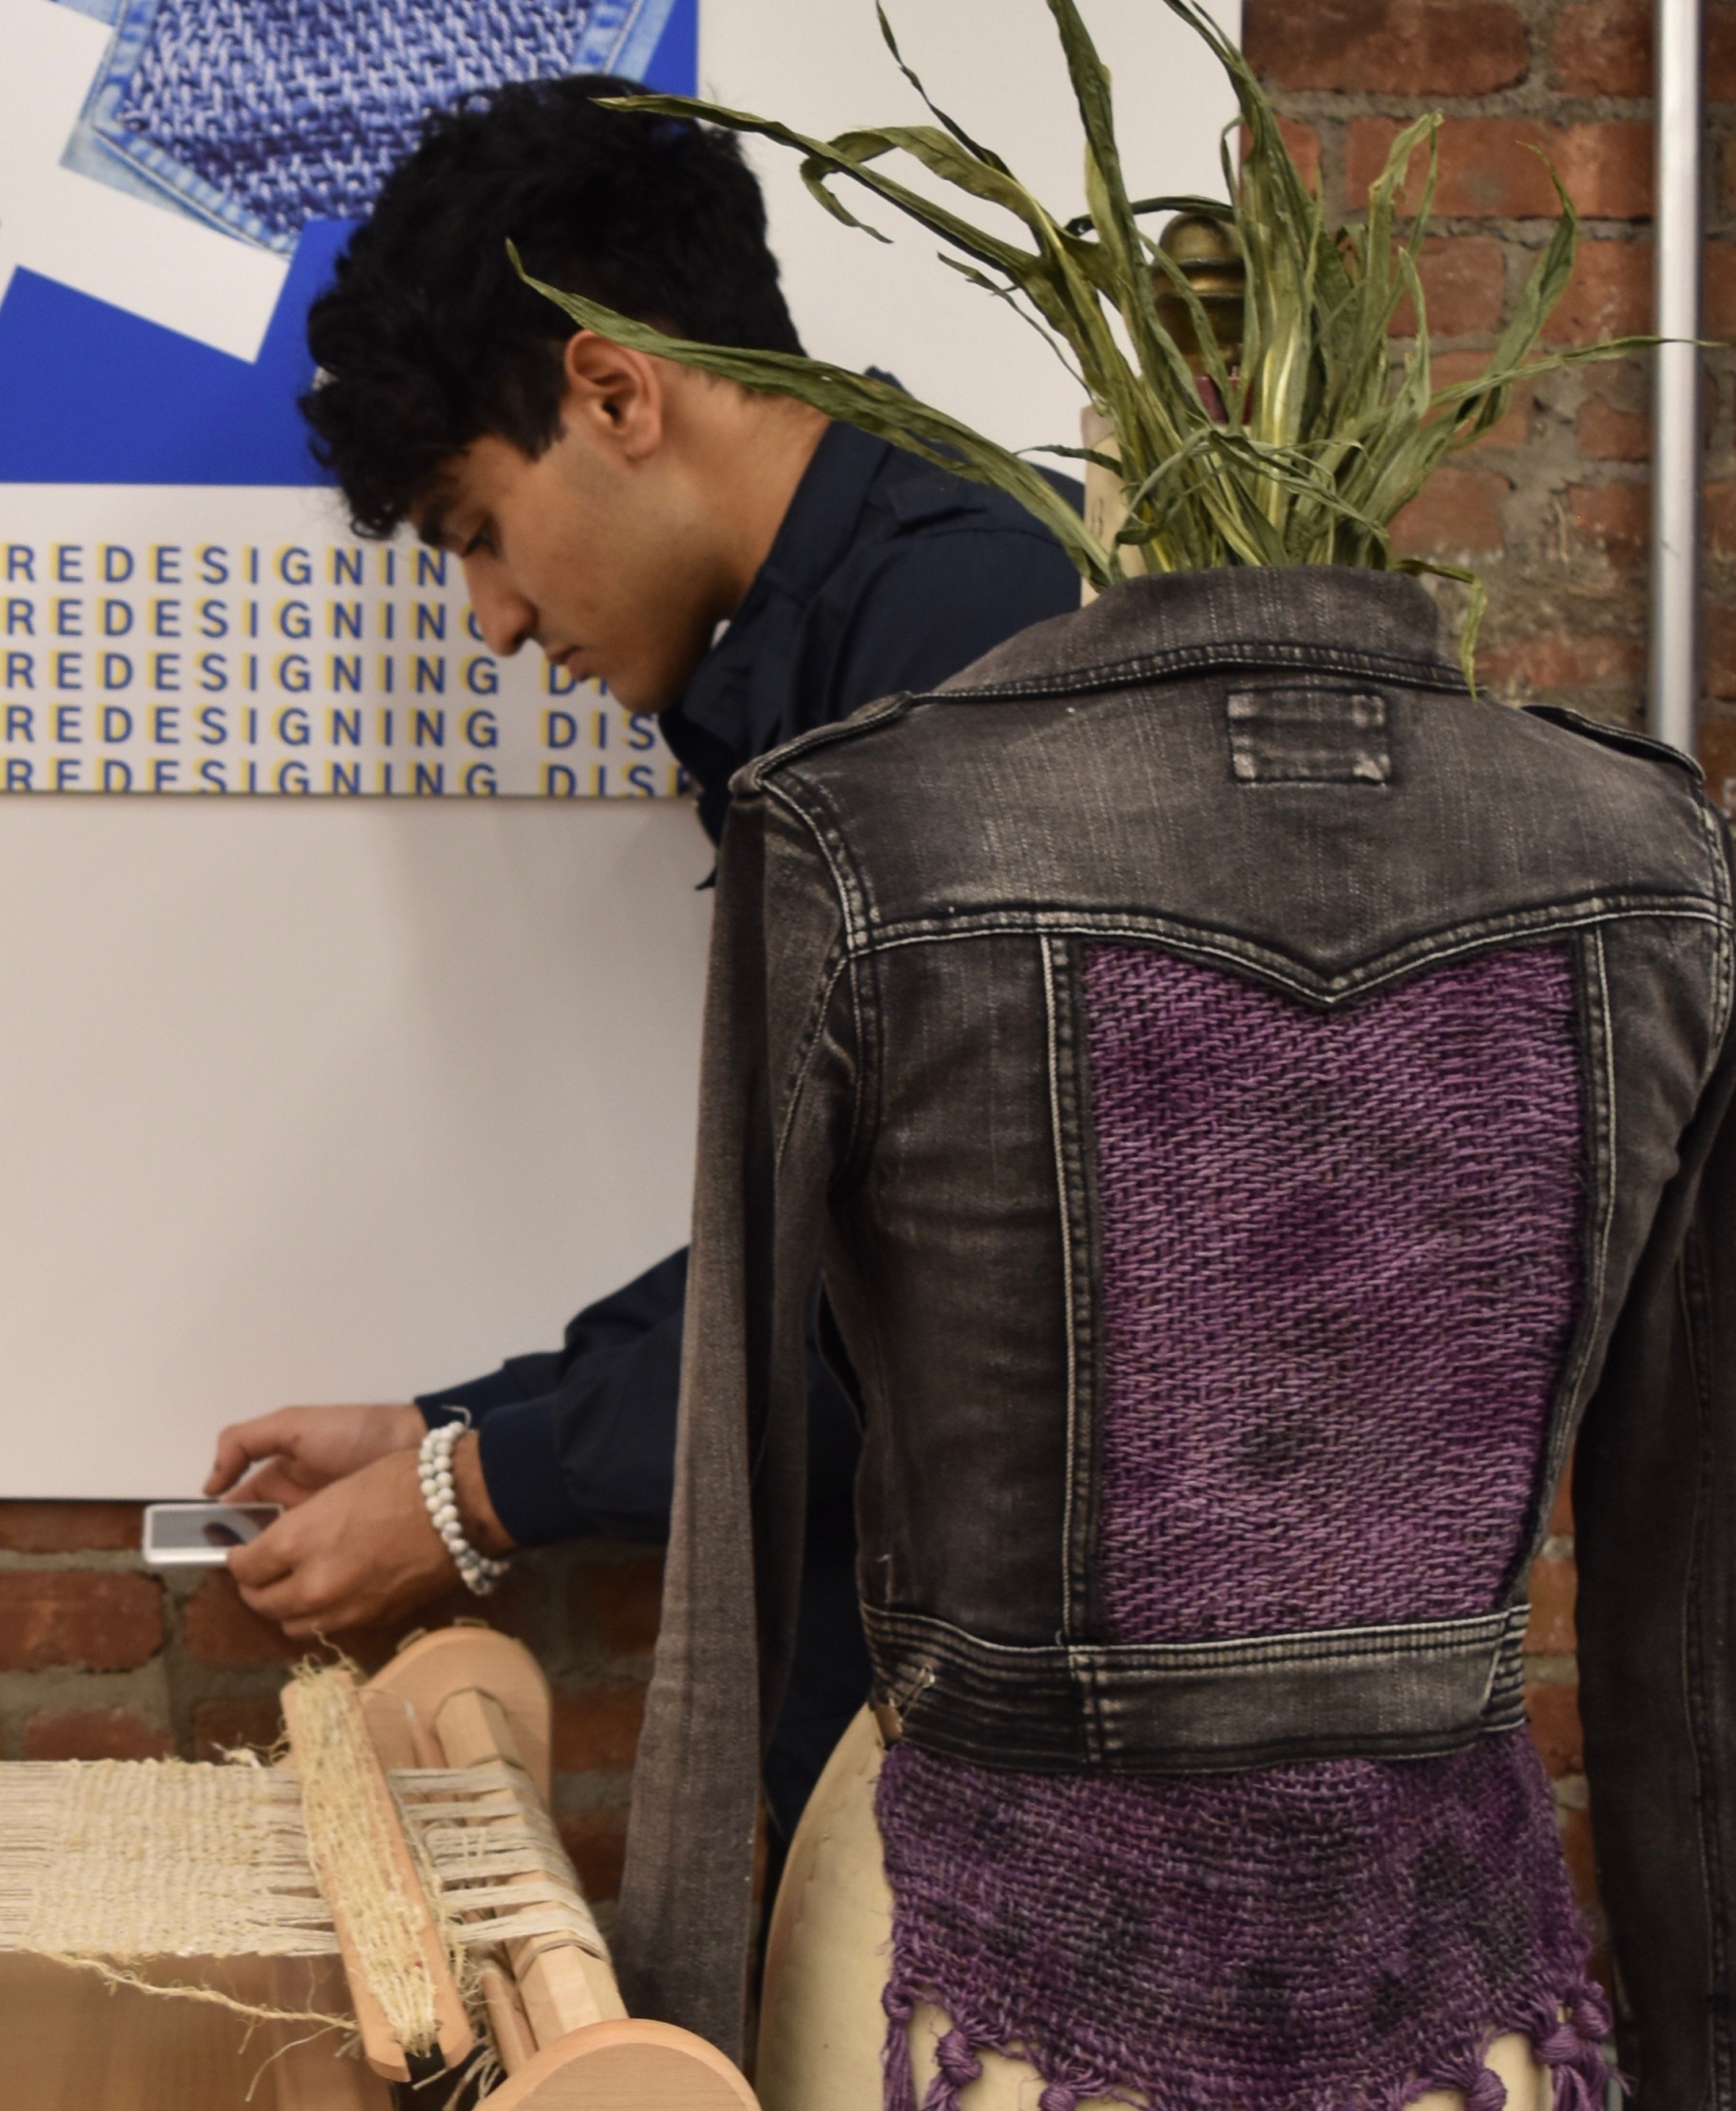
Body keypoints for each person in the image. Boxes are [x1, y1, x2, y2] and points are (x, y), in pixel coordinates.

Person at [201, 75, 1080, 1832]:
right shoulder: (839, 643)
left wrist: (473, 1495)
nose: (499, 620)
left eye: (474, 534)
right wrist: (452, 1424)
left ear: (612, 390)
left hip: (1025, 1773)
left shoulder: (966, 635)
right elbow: (814, 1225)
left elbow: (945, 1292)